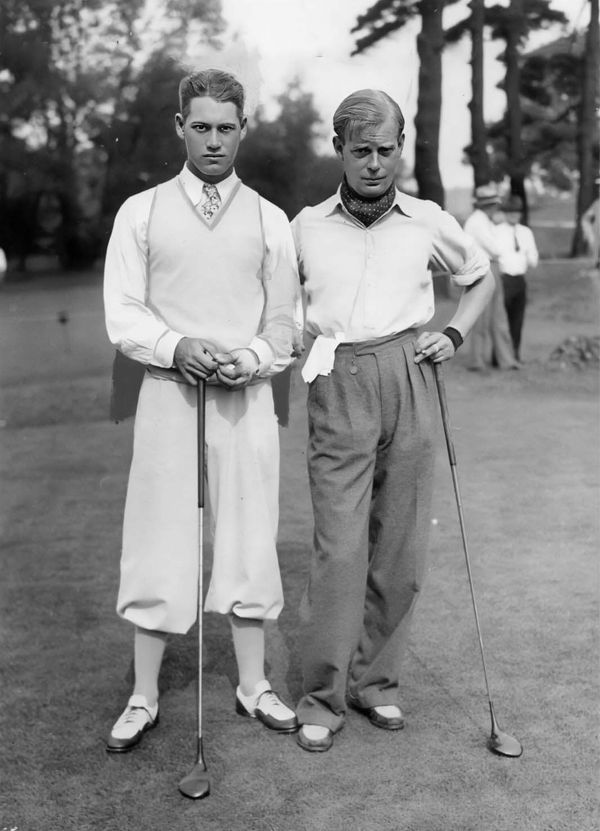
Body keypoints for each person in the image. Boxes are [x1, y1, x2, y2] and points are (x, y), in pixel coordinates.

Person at [290, 89, 495, 752]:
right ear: (339, 151)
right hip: (338, 380)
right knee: (341, 547)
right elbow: (281, 301)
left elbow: (480, 277)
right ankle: (322, 695)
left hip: (409, 371)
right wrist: (294, 334)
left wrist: (456, 334)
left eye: (386, 149)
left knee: (401, 544)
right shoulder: (306, 226)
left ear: (401, 149)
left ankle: (376, 682)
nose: (374, 163)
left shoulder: (427, 219)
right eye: (361, 151)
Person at [103, 68, 300, 753]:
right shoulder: (142, 211)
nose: (214, 140)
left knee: (250, 533)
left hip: (243, 396)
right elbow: (121, 313)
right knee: (159, 533)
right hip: (168, 391)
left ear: (243, 129)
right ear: (179, 127)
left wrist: (248, 358)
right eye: (202, 126)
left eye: (227, 127)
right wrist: (175, 344)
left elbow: (286, 324)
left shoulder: (271, 220)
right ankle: (144, 693)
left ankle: (253, 686)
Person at [463, 184, 519, 370]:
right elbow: (495, 249)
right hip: (482, 268)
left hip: (490, 267)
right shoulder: (477, 222)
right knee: (481, 317)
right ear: (489, 205)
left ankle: (505, 360)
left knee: (498, 316)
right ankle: (477, 361)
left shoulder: (484, 221)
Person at [494, 194, 539, 362]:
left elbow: (533, 257)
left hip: (520, 279)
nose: (514, 215)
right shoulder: (497, 231)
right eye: (510, 212)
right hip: (504, 279)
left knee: (517, 320)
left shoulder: (525, 232)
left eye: (517, 212)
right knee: (501, 320)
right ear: (505, 213)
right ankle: (499, 356)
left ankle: (515, 353)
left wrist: (529, 256)